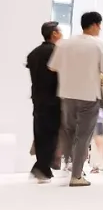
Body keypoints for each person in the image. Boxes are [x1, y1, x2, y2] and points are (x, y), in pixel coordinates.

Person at [47, 12, 103, 187]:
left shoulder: (64, 44)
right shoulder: (99, 45)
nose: (100, 28)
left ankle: (70, 164)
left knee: (68, 132)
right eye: (99, 25)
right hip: (89, 96)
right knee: (83, 136)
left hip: (67, 94)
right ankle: (76, 175)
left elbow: (53, 67)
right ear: (95, 25)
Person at [26, 21, 63, 183]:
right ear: (54, 34)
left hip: (38, 98)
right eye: (59, 31)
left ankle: (43, 168)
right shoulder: (56, 52)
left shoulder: (33, 53)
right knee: (52, 133)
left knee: (40, 132)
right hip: (53, 98)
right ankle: (41, 167)